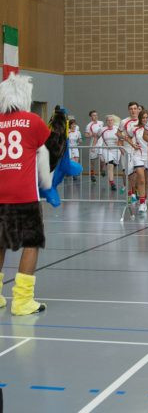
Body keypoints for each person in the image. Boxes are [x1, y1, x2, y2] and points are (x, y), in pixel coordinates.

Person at [0, 74, 50, 315]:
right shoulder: (33, 121)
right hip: (24, 193)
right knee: (31, 243)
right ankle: (21, 300)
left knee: (0, 243)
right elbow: (48, 149)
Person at [117, 101, 140, 200]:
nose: (133, 111)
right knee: (130, 173)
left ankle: (136, 192)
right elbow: (118, 133)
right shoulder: (124, 121)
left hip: (140, 150)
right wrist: (123, 140)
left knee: (138, 172)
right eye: (131, 109)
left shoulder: (142, 120)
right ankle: (131, 194)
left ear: (138, 109)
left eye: (135, 108)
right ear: (128, 110)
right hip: (128, 150)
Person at [133, 109, 148, 213]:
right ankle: (142, 203)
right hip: (138, 155)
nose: (145, 119)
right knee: (141, 178)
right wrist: (132, 144)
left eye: (146, 118)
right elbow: (126, 136)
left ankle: (145, 196)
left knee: (147, 180)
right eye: (143, 117)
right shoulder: (135, 129)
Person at [99, 115, 121, 191]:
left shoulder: (117, 129)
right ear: (106, 122)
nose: (110, 121)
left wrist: (119, 141)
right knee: (110, 165)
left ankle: (111, 178)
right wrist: (93, 146)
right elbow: (96, 137)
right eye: (108, 120)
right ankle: (112, 183)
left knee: (114, 166)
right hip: (106, 149)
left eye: (111, 120)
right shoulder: (102, 129)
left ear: (113, 121)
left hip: (116, 149)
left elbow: (122, 138)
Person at [84, 110, 104, 182]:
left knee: (102, 159)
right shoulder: (89, 125)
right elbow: (86, 135)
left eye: (96, 115)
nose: (95, 116)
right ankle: (92, 174)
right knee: (92, 160)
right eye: (93, 115)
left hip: (101, 143)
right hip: (93, 143)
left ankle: (101, 170)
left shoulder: (101, 123)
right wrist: (91, 134)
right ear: (91, 116)